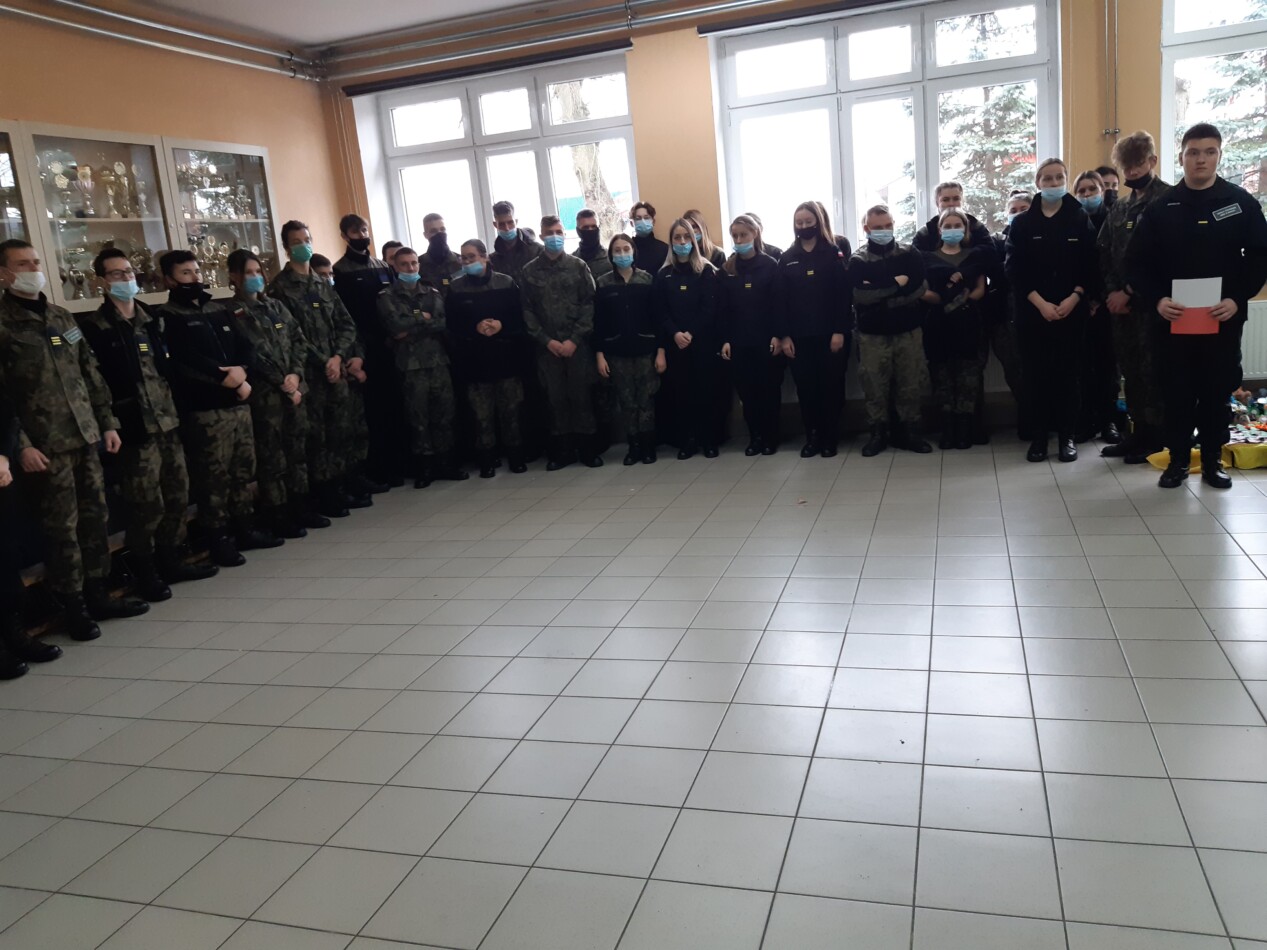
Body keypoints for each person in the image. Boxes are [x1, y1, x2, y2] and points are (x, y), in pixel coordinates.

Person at [0, 238, 151, 638]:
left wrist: (107, 422)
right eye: (23, 264)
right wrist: (21, 445)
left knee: (95, 517)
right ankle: (73, 606)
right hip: (45, 444)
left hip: (85, 435)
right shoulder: (3, 325)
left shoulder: (60, 315)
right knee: (61, 529)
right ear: (4, 274)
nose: (33, 269)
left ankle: (99, 592)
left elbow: (89, 373)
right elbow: (2, 398)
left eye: (36, 261)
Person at [1128, 122, 1267, 489]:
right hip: (1172, 320)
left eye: (1209, 152)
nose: (1201, 159)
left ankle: (1211, 462)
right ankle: (1177, 461)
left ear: (1219, 156)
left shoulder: (1240, 203)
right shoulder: (1162, 207)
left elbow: (1259, 257)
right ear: (1182, 158)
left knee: (1215, 391)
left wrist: (1237, 299)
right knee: (1175, 391)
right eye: (1193, 152)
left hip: (1221, 318)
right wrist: (1157, 299)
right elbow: (1137, 263)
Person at [79, 248, 217, 601]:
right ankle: (145, 570)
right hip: (134, 426)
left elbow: (168, 369)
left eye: (129, 272)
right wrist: (109, 423)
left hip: (168, 420)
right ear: (101, 282)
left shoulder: (152, 319)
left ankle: (172, 558)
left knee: (176, 493)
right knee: (146, 504)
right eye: (117, 274)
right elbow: (95, 382)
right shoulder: (95, 328)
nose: (126, 279)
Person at [158, 250, 281, 566]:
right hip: (205, 410)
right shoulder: (167, 316)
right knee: (213, 478)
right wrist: (222, 376)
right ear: (169, 280)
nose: (194, 278)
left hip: (238, 403)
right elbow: (183, 360)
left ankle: (245, 529)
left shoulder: (218, 309)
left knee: (242, 471)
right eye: (186, 273)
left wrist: (242, 374)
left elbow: (245, 347)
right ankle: (218, 539)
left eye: (196, 271)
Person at [1006, 157, 1098, 463]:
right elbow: (1014, 269)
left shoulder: (1079, 217)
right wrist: (1041, 303)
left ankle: (1067, 437)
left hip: (1072, 311)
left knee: (1069, 377)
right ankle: (1039, 439)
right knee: (1035, 378)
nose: (1054, 182)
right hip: (1032, 313)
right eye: (1047, 178)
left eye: (1059, 177)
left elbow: (1090, 264)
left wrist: (1075, 297)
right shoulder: (1022, 223)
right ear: (1038, 183)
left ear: (1065, 180)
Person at [269, 221, 363, 519]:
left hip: (335, 371)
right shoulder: (279, 288)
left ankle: (340, 486)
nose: (303, 245)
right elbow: (291, 337)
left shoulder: (323, 283)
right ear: (287, 247)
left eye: (307, 239)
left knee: (339, 431)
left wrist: (338, 356)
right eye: (296, 241)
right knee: (314, 437)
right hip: (308, 375)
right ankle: (320, 495)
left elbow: (346, 323)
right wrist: (324, 361)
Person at [227, 249, 315, 540]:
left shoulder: (275, 306)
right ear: (234, 277)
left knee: (297, 450)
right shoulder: (233, 312)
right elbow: (253, 353)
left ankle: (301, 506)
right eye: (248, 273)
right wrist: (282, 382)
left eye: (258, 272)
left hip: (293, 388)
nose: (255, 277)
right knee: (272, 458)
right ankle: (278, 514)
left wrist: (295, 375)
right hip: (267, 395)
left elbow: (298, 340)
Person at [1098, 130, 1172, 464]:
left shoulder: (1169, 201)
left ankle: (1158, 437)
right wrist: (1113, 293)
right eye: (1126, 166)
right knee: (1131, 370)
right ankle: (1138, 432)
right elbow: (1105, 252)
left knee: (1155, 370)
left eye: (1138, 164)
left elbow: (1166, 259)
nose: (1132, 172)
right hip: (1122, 308)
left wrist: (1129, 292)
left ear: (1152, 161)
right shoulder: (1120, 207)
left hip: (1154, 305)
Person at [378, 246, 467, 486]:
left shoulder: (431, 291)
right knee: (418, 417)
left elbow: (441, 322)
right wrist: (423, 318)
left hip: (437, 361)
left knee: (444, 414)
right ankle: (425, 468)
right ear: (395, 267)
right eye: (405, 264)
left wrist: (410, 325)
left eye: (414, 263)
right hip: (410, 365)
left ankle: (446, 463)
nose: (410, 268)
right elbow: (395, 326)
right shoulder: (386, 296)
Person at [848, 206, 932, 456]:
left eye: (888, 226)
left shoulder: (909, 253)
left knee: (910, 382)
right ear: (866, 229)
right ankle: (878, 434)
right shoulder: (858, 260)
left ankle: (910, 433)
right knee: (875, 385)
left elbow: (919, 288)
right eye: (877, 227)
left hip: (908, 331)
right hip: (872, 335)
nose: (884, 231)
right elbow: (860, 295)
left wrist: (878, 289)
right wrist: (898, 284)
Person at [520, 214, 601, 469]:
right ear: (541, 236)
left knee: (581, 397)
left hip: (577, 346)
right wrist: (547, 341)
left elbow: (589, 305)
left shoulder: (578, 266)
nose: (554, 237)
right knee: (555, 400)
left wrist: (574, 339)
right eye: (549, 233)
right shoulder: (529, 271)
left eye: (558, 232)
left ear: (564, 234)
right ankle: (562, 452)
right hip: (548, 349)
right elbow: (527, 311)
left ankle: (588, 450)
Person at [447, 239, 529, 478]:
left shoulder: (506, 282)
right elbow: (451, 325)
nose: (467, 261)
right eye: (464, 258)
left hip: (506, 359)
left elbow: (520, 317)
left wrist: (502, 325)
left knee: (511, 412)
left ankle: (516, 457)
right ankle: (486, 460)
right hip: (475, 361)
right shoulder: (456, 288)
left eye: (472, 257)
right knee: (481, 416)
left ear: (484, 257)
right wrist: (474, 328)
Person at [778, 200, 851, 457]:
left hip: (831, 335)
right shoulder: (787, 258)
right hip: (799, 338)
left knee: (831, 388)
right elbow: (780, 301)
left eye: (808, 221)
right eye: (799, 222)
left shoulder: (833, 252)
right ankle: (813, 437)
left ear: (818, 222)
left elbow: (843, 295)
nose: (804, 226)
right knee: (806, 390)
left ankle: (830, 437)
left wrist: (839, 330)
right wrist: (784, 336)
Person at [332, 213, 394, 495]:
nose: (361, 236)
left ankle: (397, 465)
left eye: (364, 230)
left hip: (389, 345)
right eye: (355, 232)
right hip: (362, 351)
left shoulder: (382, 266)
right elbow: (346, 318)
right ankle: (376, 469)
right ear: (345, 236)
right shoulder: (340, 271)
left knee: (393, 407)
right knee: (372, 412)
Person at [920, 209, 988, 450]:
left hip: (968, 323)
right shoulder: (927, 258)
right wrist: (943, 302)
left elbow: (980, 289)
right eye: (947, 226)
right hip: (938, 324)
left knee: (968, 377)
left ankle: (964, 429)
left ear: (965, 229)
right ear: (940, 231)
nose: (952, 229)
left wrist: (961, 301)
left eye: (957, 225)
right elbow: (924, 290)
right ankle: (947, 429)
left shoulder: (975, 256)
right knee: (942, 377)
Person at [594, 234, 663, 465]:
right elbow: (599, 322)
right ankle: (633, 447)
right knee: (626, 402)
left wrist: (661, 351)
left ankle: (648, 446)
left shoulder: (647, 279)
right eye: (617, 250)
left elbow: (657, 318)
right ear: (611, 255)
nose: (622, 254)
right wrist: (600, 355)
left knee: (646, 400)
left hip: (646, 351)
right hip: (617, 353)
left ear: (633, 252)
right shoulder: (603, 283)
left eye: (626, 249)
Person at [654, 219, 719, 459]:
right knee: (682, 394)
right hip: (676, 344)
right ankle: (688, 441)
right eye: (677, 238)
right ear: (671, 242)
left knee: (706, 392)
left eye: (686, 237)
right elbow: (660, 311)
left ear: (694, 240)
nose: (682, 242)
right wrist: (675, 333)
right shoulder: (664, 274)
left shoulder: (706, 270)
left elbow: (709, 308)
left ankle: (709, 440)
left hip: (702, 342)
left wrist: (691, 333)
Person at [720, 214, 784, 456]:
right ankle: (755, 436)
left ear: (755, 234)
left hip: (766, 340)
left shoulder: (770, 265)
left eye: (743, 235)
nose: (739, 240)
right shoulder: (728, 268)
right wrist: (726, 339)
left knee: (768, 391)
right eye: (735, 236)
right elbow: (723, 308)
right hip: (739, 342)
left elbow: (778, 303)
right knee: (747, 394)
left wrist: (778, 335)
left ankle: (770, 437)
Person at [1072, 170, 1120, 446]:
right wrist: (1083, 298)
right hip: (1078, 304)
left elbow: (1115, 262)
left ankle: (1108, 421)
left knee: (1107, 367)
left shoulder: (1112, 219)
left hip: (1107, 304)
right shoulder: (1072, 220)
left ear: (1102, 191)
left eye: (1092, 189)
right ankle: (1085, 421)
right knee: (1082, 367)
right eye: (1082, 191)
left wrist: (1099, 298)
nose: (1087, 195)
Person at [980, 190, 1030, 441]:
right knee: (1014, 369)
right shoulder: (998, 241)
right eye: (1013, 210)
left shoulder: (1043, 236)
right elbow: (997, 273)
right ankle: (1027, 415)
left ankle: (1046, 418)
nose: (1018, 214)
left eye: (1023, 209)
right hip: (1003, 316)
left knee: (1039, 369)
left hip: (1038, 314)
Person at [913, 182, 993, 253]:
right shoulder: (925, 234)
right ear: (937, 203)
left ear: (962, 201)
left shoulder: (977, 228)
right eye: (945, 200)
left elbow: (991, 254)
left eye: (956, 199)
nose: (951, 204)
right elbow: (915, 260)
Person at [490, 201, 542, 285]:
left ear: (516, 221)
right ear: (495, 225)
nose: (507, 228)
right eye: (502, 224)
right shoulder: (493, 260)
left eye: (510, 222)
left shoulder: (538, 251)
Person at [416, 214, 462, 292]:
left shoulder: (461, 262)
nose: (440, 233)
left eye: (442, 229)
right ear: (425, 235)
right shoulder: (417, 265)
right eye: (433, 231)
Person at [572, 209, 612, 281]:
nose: (590, 230)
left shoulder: (611, 258)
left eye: (594, 227)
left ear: (599, 228)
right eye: (585, 227)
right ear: (578, 231)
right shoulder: (572, 261)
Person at [629, 201, 669, 273]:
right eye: (638, 218)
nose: (643, 221)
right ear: (632, 223)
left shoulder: (664, 249)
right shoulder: (627, 249)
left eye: (646, 218)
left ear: (653, 221)